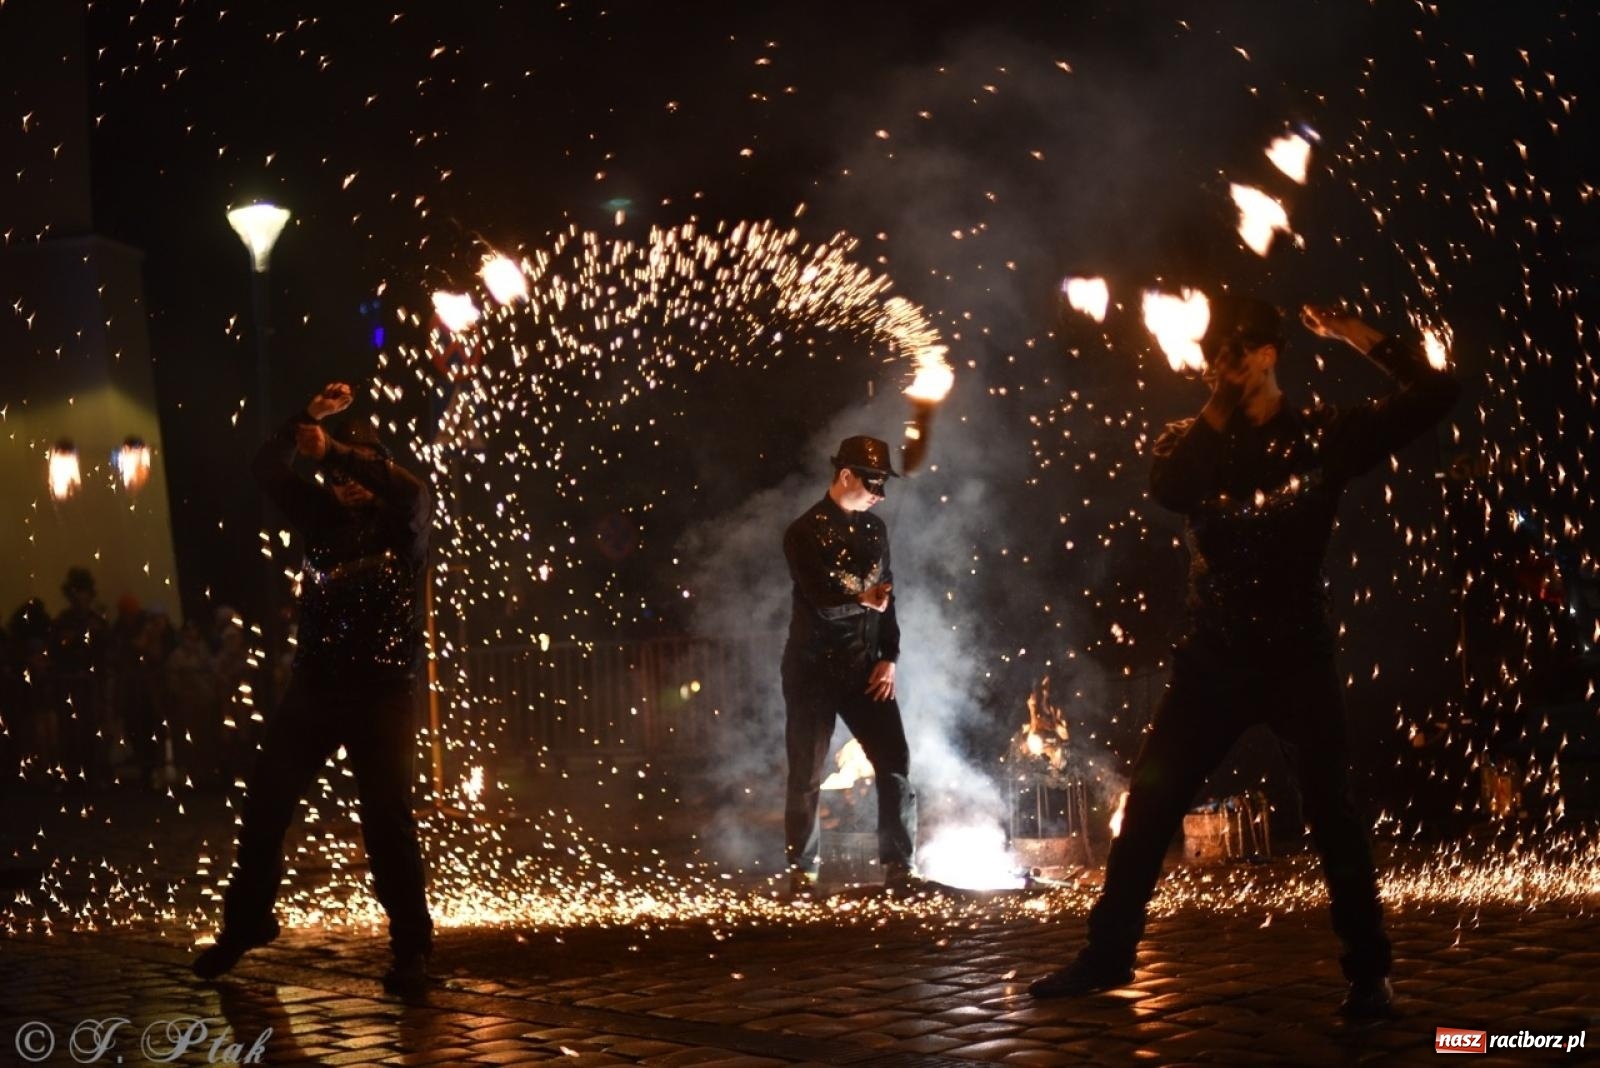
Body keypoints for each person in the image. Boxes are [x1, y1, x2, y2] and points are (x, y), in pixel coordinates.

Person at [1029, 297, 1460, 1018]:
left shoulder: (1326, 435)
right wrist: (1217, 411)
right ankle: (1106, 958)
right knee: (1150, 810)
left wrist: (1356, 332)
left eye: (1234, 354)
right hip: (1212, 663)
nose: (1219, 368)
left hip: (1297, 658)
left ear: (1266, 354)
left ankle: (1369, 973)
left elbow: (1438, 393)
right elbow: (1168, 489)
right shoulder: (1191, 441)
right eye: (1213, 359)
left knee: (1333, 815)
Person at [193, 382, 434, 998]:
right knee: (266, 804)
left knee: (386, 819)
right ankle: (248, 924)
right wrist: (305, 418)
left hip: (382, 693)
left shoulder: (403, 524)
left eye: (358, 469)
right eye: (336, 472)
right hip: (315, 690)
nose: (348, 483)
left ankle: (412, 949)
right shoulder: (319, 517)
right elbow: (264, 465)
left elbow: (411, 489)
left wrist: (334, 450)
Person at [782, 435, 918, 894]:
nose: (880, 493)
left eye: (883, 484)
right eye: (874, 482)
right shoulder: (802, 532)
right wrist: (863, 600)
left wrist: (889, 658)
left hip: (864, 667)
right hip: (812, 672)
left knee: (894, 758)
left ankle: (900, 868)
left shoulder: (875, 530)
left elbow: (888, 598)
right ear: (845, 475)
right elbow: (821, 601)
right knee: (806, 771)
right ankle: (803, 872)